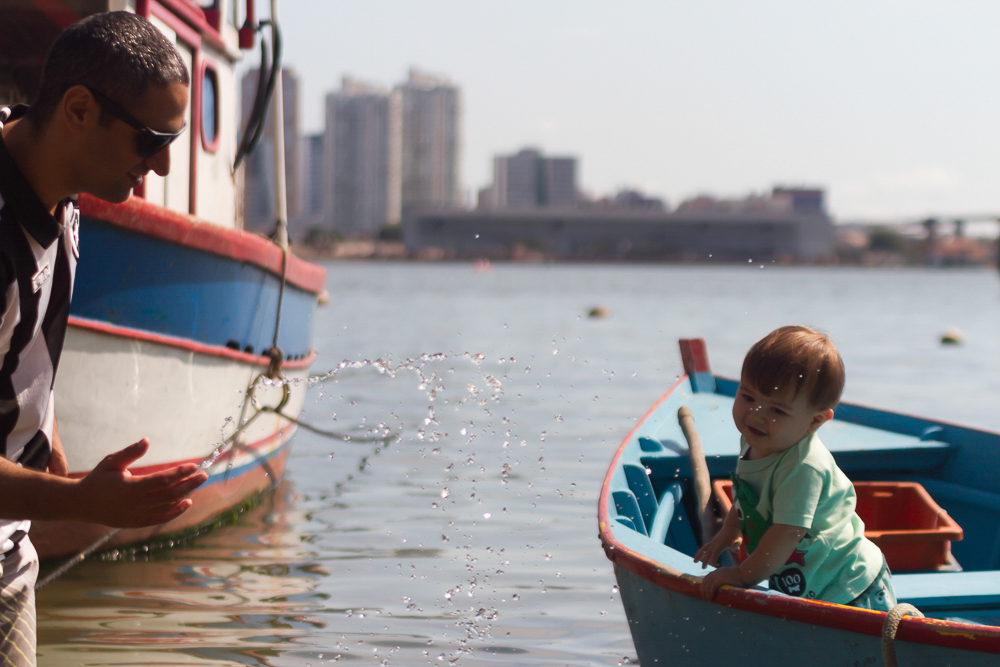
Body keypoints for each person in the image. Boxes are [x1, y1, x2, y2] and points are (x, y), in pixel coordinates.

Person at [0, 11, 208, 665]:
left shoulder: (66, 203)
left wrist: (62, 466)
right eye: (151, 139)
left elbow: (27, 361)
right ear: (80, 110)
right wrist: (77, 500)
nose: (166, 165)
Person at [693, 325, 896, 611]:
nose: (756, 415)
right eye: (748, 397)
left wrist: (742, 574)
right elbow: (749, 493)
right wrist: (729, 528)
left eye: (777, 410)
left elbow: (787, 531)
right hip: (810, 578)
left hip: (848, 586)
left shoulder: (803, 467)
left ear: (815, 421)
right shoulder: (757, 438)